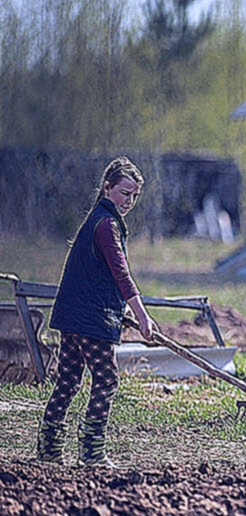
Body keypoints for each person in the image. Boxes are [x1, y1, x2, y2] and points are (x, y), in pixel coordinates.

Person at [37, 157, 156, 468]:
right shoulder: (106, 224)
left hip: (73, 316)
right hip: (89, 321)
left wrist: (121, 312)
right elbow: (121, 272)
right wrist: (143, 316)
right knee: (106, 379)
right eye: (124, 193)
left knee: (68, 380)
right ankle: (92, 453)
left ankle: (48, 451)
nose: (128, 201)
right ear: (107, 188)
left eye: (134, 195)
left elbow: (100, 276)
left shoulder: (98, 219)